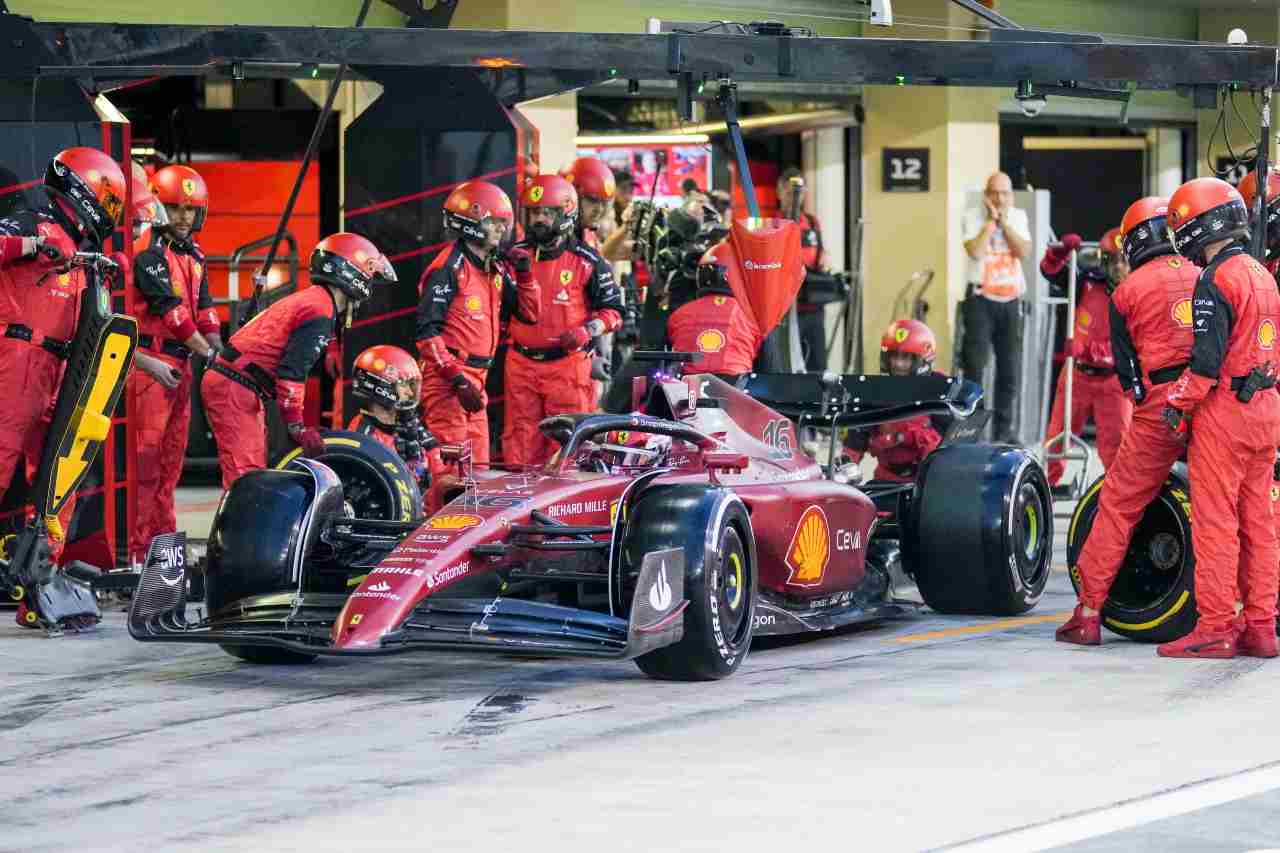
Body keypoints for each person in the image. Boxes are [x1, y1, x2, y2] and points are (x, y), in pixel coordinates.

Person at [1056, 198, 1200, 645]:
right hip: (1210, 401)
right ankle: (1240, 616)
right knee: (1221, 508)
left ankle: (1089, 614)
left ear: (1134, 240)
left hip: (1160, 403)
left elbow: (1129, 374)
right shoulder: (1204, 276)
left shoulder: (1126, 292)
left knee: (1118, 505)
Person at [1158, 177, 1280, 658]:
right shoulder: (1261, 272)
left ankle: (1215, 628)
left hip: (1225, 417)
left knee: (1216, 523)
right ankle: (1261, 627)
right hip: (1267, 412)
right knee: (1262, 523)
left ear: (1194, 226)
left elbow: (1206, 364)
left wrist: (1176, 402)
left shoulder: (1215, 281)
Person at [0, 147, 125, 557]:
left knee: (59, 480)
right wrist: (32, 245)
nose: (110, 212)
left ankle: (42, 574)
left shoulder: (84, 255)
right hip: (17, 358)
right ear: (84, 190)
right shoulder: (31, 223)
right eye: (108, 201)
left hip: (61, 371)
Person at [202, 233, 393, 488]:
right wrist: (297, 427)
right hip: (235, 386)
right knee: (245, 477)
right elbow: (292, 374)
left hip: (237, 383)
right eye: (369, 272)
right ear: (349, 270)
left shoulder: (315, 300)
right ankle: (242, 526)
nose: (370, 281)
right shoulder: (320, 310)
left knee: (250, 471)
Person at [127, 164, 223, 564]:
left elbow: (205, 312)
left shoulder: (195, 256)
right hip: (150, 368)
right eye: (176, 208)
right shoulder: (149, 253)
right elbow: (172, 315)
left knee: (170, 465)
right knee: (145, 465)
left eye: (190, 209)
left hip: (179, 367)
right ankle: (135, 552)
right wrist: (210, 354)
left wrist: (224, 354)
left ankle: (162, 550)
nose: (184, 217)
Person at [416, 180, 539, 481]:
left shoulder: (493, 269)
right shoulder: (449, 267)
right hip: (448, 384)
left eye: (503, 223)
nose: (501, 229)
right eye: (494, 222)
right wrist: (457, 380)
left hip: (476, 383)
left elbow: (529, 314)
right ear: (471, 222)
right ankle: (439, 529)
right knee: (450, 477)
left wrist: (524, 275)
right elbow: (425, 334)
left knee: (478, 474)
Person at [503, 174, 623, 466]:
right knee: (520, 444)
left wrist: (587, 330)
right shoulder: (512, 256)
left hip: (567, 368)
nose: (539, 219)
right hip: (520, 365)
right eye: (534, 213)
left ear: (566, 212)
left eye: (547, 212)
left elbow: (615, 312)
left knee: (568, 447)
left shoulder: (588, 260)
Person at [1038, 228, 1133, 486]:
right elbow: (1051, 272)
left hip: (1114, 383)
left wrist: (1087, 350)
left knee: (1117, 449)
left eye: (1124, 260)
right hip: (1076, 375)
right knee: (1056, 439)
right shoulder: (1086, 284)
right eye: (1113, 260)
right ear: (1103, 260)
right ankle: (1046, 489)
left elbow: (1128, 348)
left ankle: (1117, 499)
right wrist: (1056, 255)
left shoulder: (1138, 297)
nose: (1119, 267)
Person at [961, 171, 1032, 442]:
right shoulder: (972, 216)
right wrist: (991, 223)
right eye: (994, 193)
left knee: (1009, 369)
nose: (1000, 198)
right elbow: (975, 251)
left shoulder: (1018, 217)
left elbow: (1023, 252)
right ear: (986, 195)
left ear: (1011, 195)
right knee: (975, 368)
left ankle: (1004, 432)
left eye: (1004, 193)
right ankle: (972, 431)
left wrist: (1004, 223)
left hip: (1010, 300)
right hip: (980, 299)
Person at [843, 319, 945, 482]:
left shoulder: (940, 388)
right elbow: (854, 444)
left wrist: (903, 437)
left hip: (930, 481)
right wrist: (842, 473)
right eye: (894, 356)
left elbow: (947, 446)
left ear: (923, 360)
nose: (898, 364)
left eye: (906, 358)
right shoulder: (874, 390)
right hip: (887, 479)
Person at [665, 241, 763, 380]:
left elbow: (666, 356)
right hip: (736, 388)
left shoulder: (678, 314)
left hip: (687, 389)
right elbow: (770, 367)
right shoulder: (755, 316)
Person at [348, 344, 437, 492]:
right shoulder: (362, 435)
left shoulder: (410, 422)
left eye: (412, 385)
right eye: (403, 385)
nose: (409, 392)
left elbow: (438, 465)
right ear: (380, 386)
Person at [777, 167, 828, 371]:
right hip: (785, 310)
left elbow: (821, 254)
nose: (795, 198)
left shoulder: (813, 222)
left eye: (799, 192)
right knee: (786, 365)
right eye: (790, 193)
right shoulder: (774, 223)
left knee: (817, 366)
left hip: (813, 307)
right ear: (780, 193)